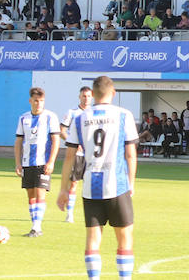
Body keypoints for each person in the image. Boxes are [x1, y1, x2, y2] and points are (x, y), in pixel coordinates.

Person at [56, 76, 137, 280]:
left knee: (93, 239)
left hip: (91, 185)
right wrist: (131, 183)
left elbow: (69, 157)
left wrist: (63, 189)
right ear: (113, 92)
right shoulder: (123, 115)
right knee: (124, 238)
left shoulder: (80, 118)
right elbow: (130, 154)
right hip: (117, 184)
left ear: (93, 93)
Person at [15, 87, 61, 237]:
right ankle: (34, 225)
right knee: (31, 196)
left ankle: (37, 227)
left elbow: (55, 140)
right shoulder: (23, 118)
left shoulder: (50, 117)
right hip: (28, 162)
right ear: (30, 101)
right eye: (36, 100)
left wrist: (51, 161)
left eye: (41, 101)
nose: (38, 104)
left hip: (43, 162)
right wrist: (18, 162)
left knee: (40, 194)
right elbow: (18, 142)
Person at [59, 86, 94, 223]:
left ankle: (92, 214)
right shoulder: (72, 112)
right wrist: (73, 142)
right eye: (84, 96)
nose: (86, 98)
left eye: (88, 96)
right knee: (73, 184)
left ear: (92, 98)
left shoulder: (94, 113)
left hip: (91, 155)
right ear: (79, 97)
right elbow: (62, 130)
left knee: (91, 184)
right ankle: (70, 214)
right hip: (77, 154)